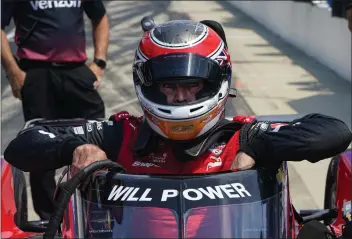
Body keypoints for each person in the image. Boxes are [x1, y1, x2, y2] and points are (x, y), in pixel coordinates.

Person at [4, 19, 352, 224]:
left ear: (217, 80)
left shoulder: (246, 135)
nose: (180, 97)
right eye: (169, 86)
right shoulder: (119, 133)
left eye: (192, 85)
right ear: (148, 84)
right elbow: (23, 146)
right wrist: (76, 146)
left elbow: (334, 132)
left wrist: (255, 147)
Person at [1, 0, 109, 220]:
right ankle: (50, 218)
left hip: (75, 71)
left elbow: (100, 17)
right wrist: (13, 71)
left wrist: (99, 62)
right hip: (37, 73)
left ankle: (98, 208)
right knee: (40, 142)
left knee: (101, 134)